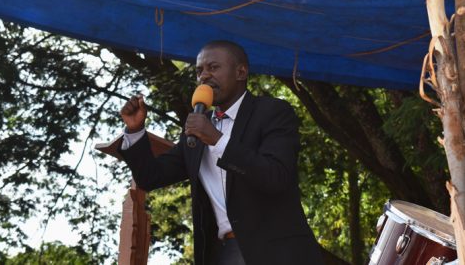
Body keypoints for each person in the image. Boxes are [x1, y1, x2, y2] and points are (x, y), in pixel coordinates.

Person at [118, 40, 324, 265]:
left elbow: (276, 176)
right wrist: (135, 130)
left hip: (278, 253)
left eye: (213, 67)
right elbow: (151, 177)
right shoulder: (197, 130)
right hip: (225, 252)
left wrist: (217, 140)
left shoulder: (272, 112)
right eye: (199, 71)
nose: (204, 76)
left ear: (241, 72)